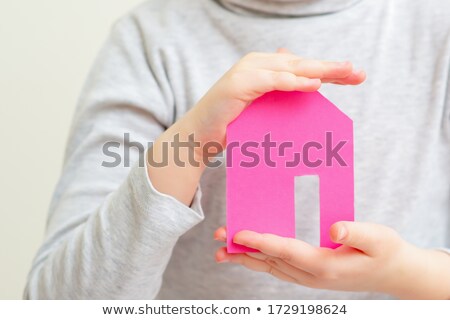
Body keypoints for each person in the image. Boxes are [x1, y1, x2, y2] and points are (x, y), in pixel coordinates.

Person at [24, 0, 450, 299]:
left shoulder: (436, 24)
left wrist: (405, 272)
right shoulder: (148, 41)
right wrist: (191, 140)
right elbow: (60, 303)